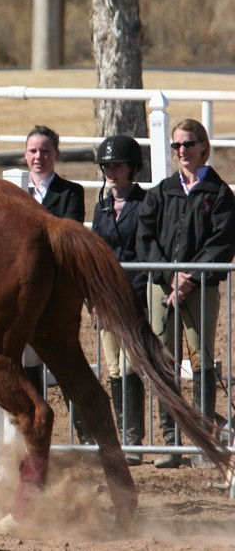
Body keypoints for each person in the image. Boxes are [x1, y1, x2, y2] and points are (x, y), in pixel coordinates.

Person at [136, 118, 235, 468]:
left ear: (203, 146)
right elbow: (144, 236)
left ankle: (203, 440)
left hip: (201, 289)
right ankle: (171, 440)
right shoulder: (162, 192)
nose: (182, 151)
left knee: (200, 360)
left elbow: (221, 241)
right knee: (163, 360)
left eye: (188, 144)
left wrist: (189, 277)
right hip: (162, 286)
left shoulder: (219, 194)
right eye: (177, 145)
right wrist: (168, 274)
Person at [90, 135, 147, 466]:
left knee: (130, 364)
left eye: (117, 165)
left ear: (131, 169)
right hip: (105, 298)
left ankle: (134, 438)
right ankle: (125, 435)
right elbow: (95, 254)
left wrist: (131, 295)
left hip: (133, 296)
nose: (111, 171)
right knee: (114, 366)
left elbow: (145, 253)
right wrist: (95, 297)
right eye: (107, 166)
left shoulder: (144, 203)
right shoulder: (102, 207)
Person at [21, 125, 85, 406]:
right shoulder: (13, 191)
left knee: (63, 360)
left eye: (45, 151)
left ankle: (84, 431)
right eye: (33, 151)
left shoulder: (71, 192)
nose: (39, 157)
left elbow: (68, 233)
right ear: (25, 154)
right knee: (26, 358)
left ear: (56, 154)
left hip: (56, 289)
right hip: (22, 288)